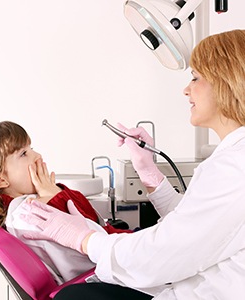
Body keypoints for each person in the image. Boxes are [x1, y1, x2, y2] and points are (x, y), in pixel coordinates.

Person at [22, 29, 245, 299]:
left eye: (196, 78)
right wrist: (150, 174)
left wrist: (86, 240)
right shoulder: (233, 161)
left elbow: (167, 252)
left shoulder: (233, 168)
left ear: (228, 83)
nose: (186, 89)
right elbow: (200, 225)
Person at [0, 121, 130, 285]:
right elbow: (95, 247)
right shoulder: (31, 213)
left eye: (31, 148)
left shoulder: (26, 208)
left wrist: (55, 194)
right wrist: (56, 197)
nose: (37, 156)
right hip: (110, 270)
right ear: (1, 179)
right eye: (23, 154)